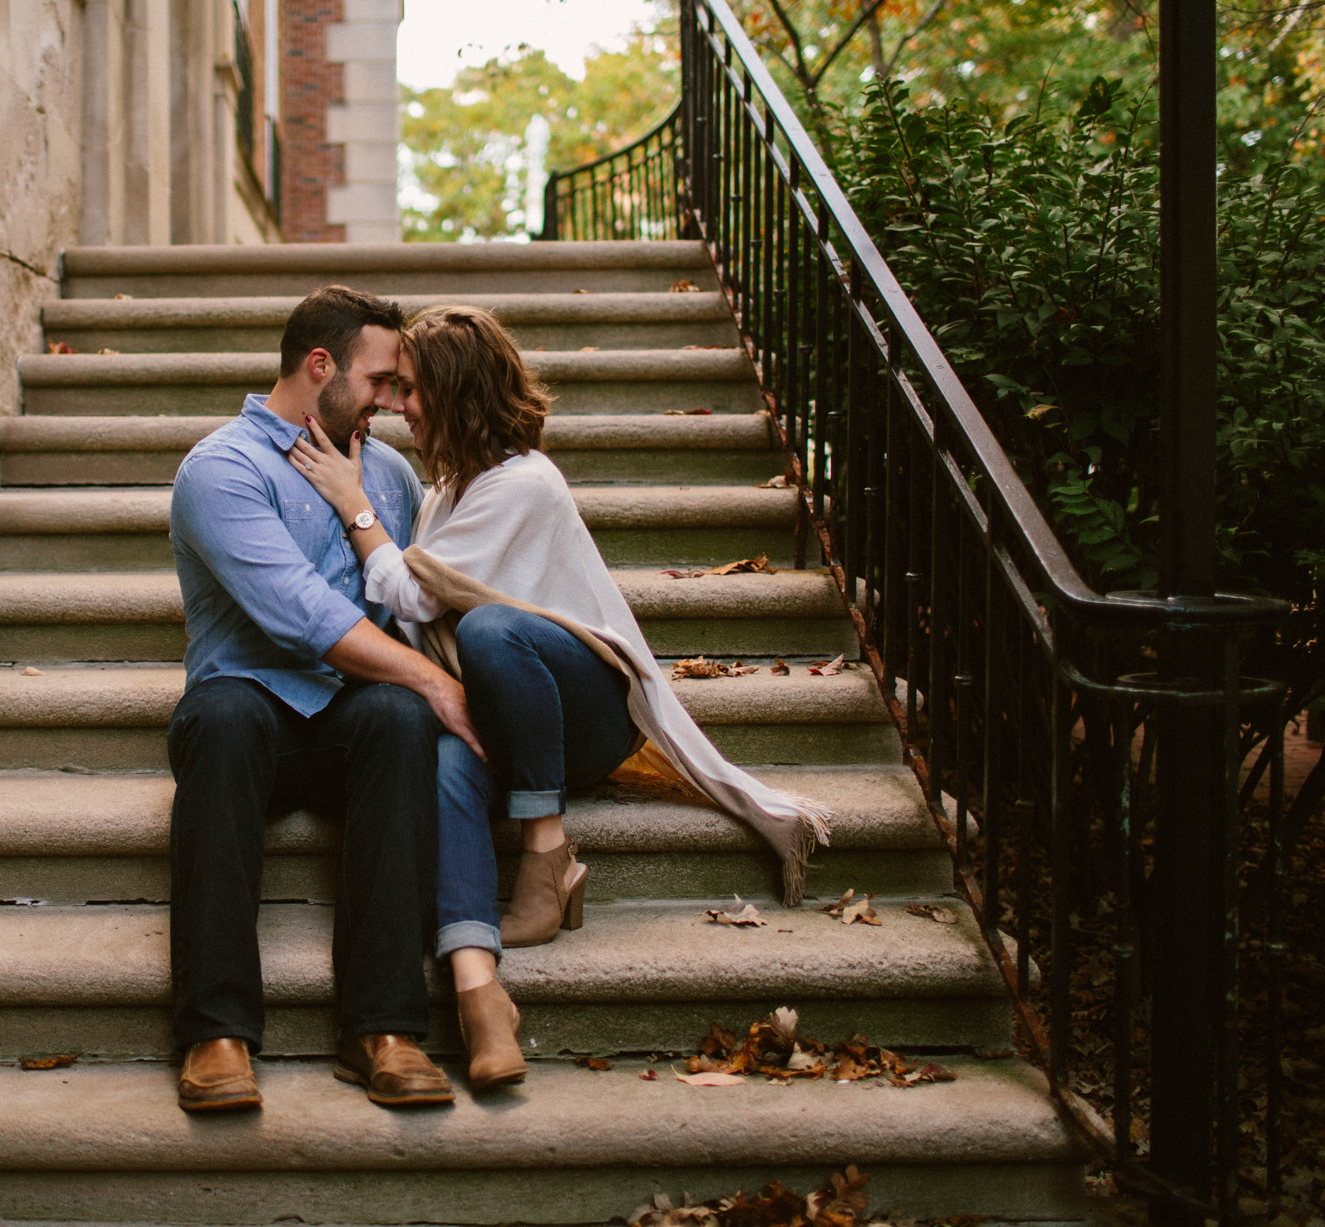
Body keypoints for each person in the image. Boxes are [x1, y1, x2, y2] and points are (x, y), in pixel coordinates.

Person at [286, 303, 834, 1094]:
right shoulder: (449, 492)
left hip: (588, 715)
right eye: (396, 388)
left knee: (490, 632)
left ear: (458, 392)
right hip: (509, 713)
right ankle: (481, 998)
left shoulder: (525, 483)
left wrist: (354, 502)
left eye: (411, 390)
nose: (399, 406)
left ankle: (546, 853)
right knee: (444, 753)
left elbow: (411, 592)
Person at [167, 284, 487, 1114]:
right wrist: (433, 678)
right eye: (381, 381)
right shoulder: (221, 467)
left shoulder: (384, 471)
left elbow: (416, 600)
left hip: (349, 722)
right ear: (320, 366)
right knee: (227, 715)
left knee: (396, 715)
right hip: (248, 723)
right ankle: (216, 1031)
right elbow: (298, 613)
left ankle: (383, 1029)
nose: (394, 400)